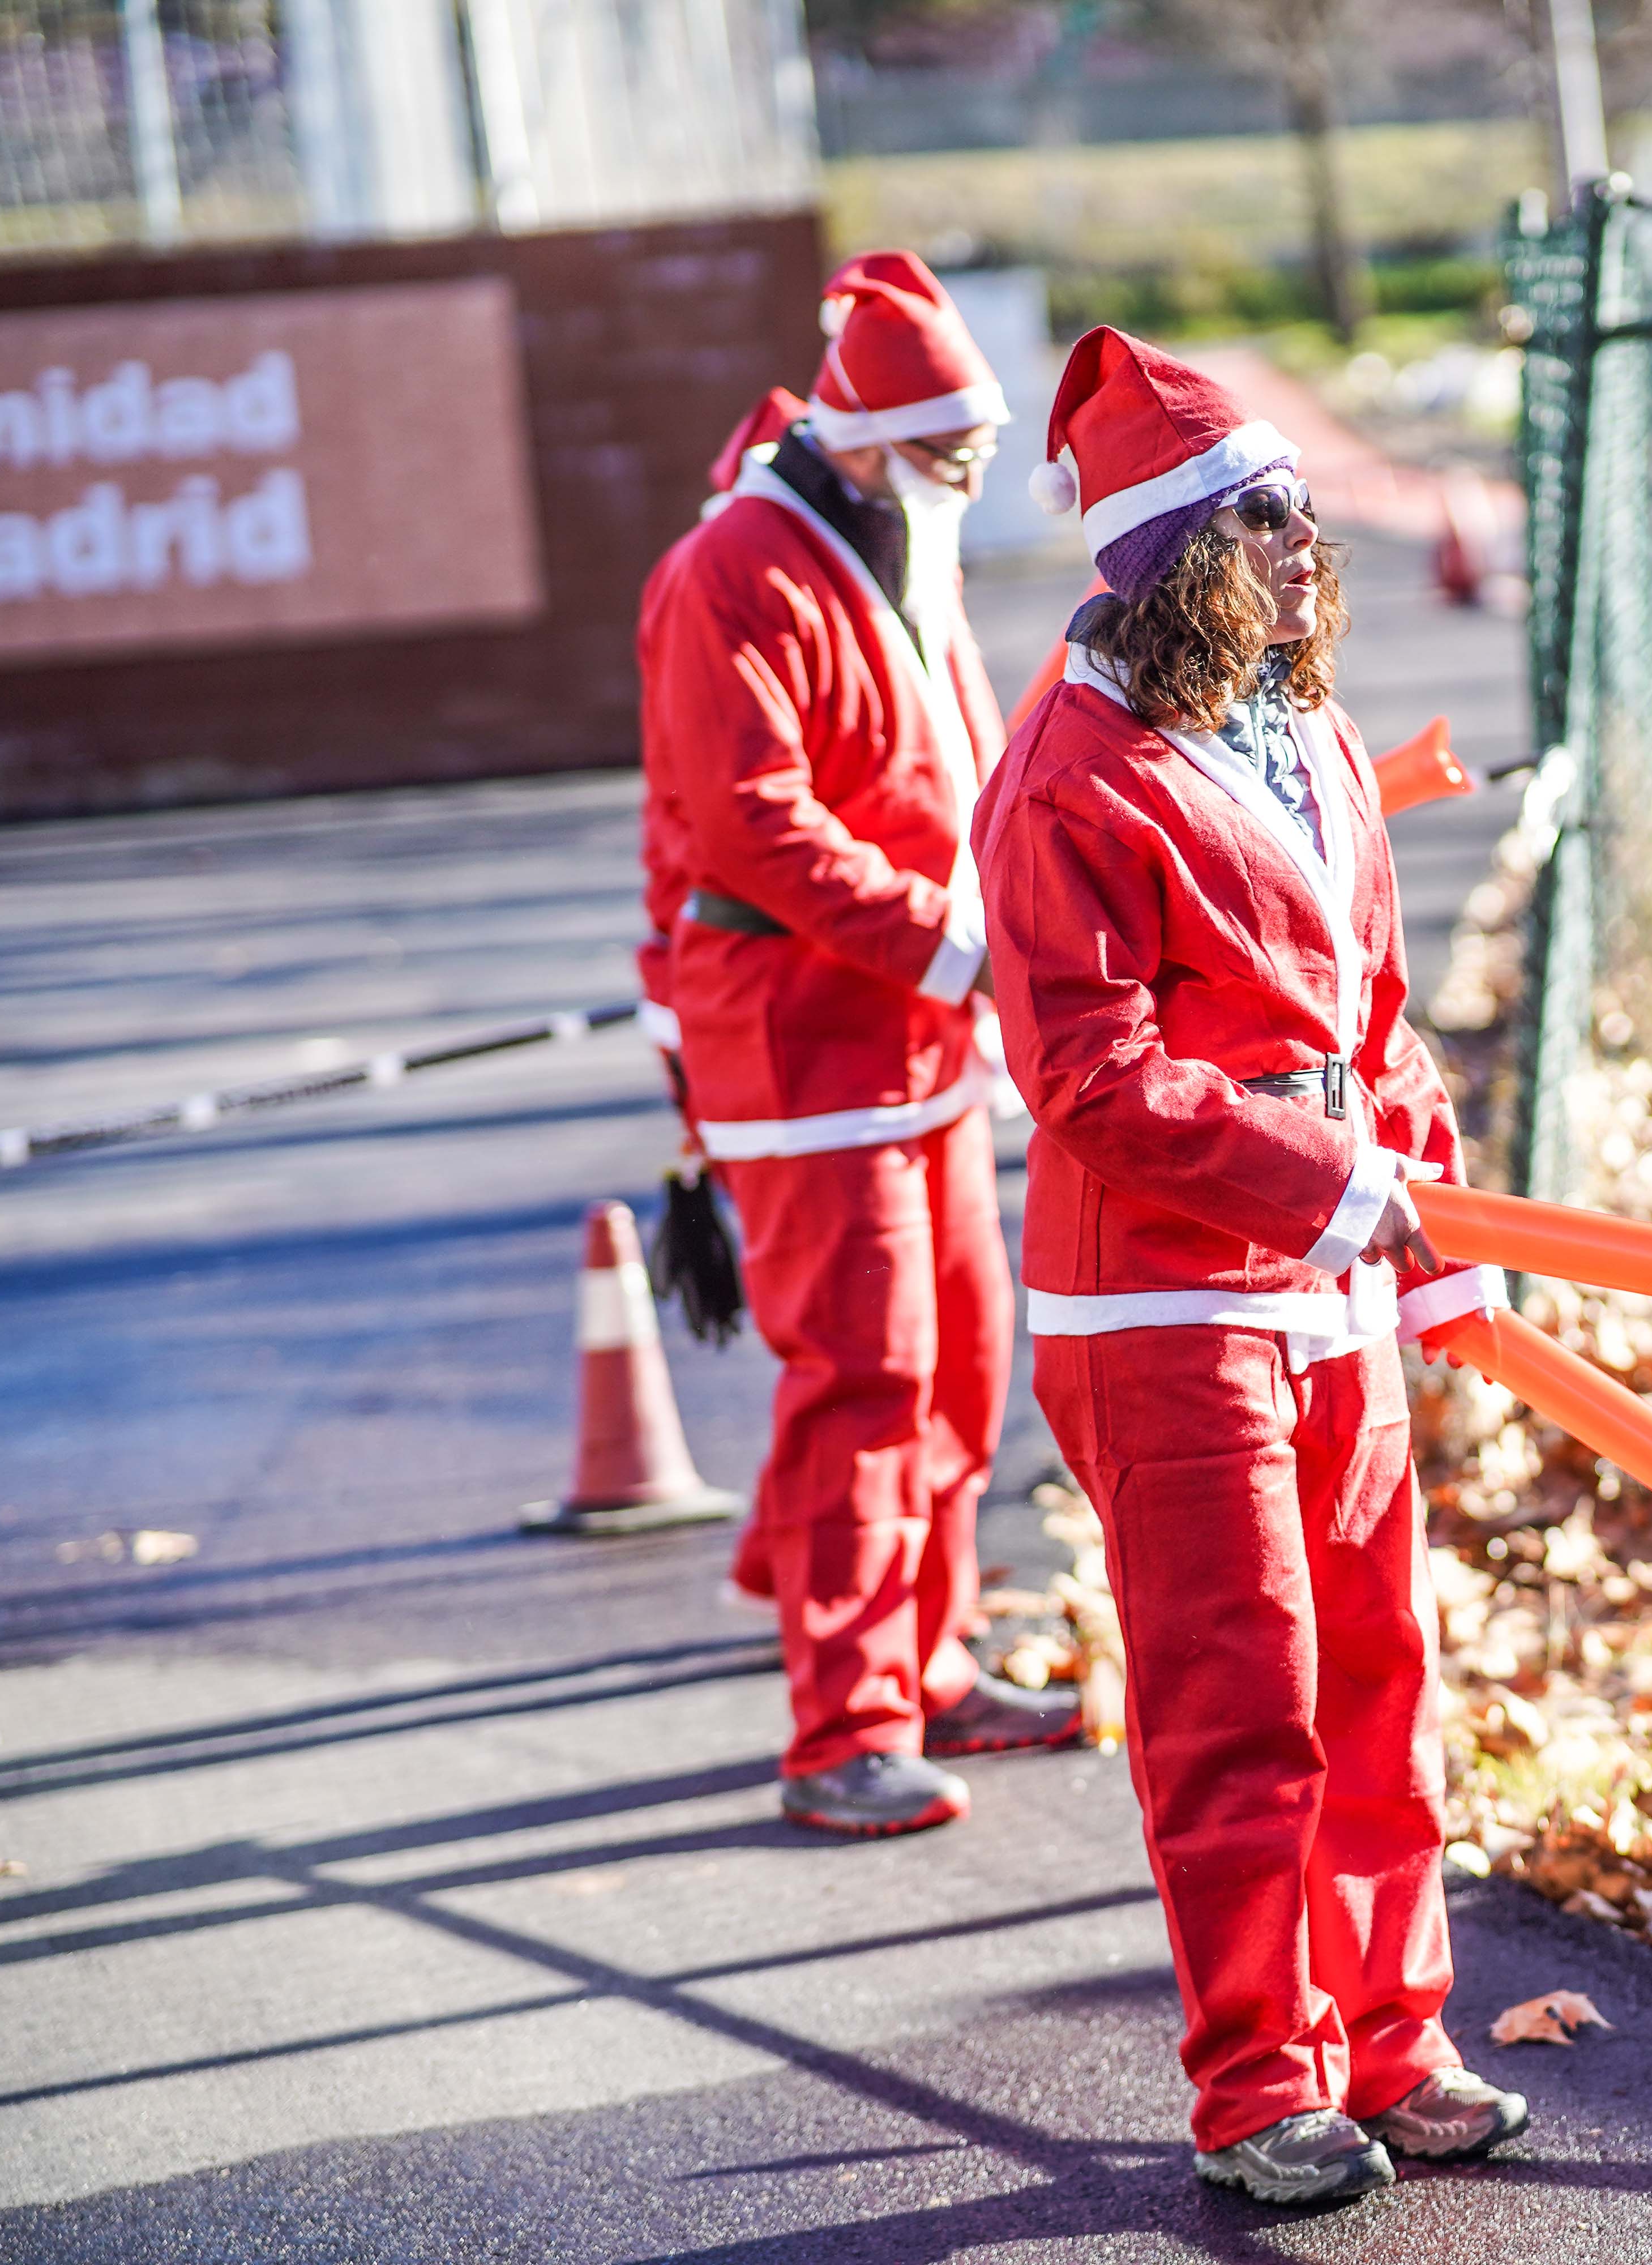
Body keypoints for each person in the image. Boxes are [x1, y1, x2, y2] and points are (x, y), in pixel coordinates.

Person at [971, 328, 1529, 2206]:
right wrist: (1322, 1188)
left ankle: (1395, 2040)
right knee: (1241, 1696)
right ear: (1172, 555)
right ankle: (1255, 2087)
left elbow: (1373, 1012)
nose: (1310, 546)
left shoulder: (1297, 729)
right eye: (1267, 519)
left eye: (1309, 513)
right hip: (1169, 1301)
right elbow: (1090, 1077)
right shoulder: (1069, 771)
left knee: (1380, 1668)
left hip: (1335, 1267)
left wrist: (1429, 1228)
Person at [635, 251, 1078, 1839]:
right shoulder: (734, 569)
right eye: (958, 449)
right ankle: (844, 1726)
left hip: (912, 1033)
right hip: (811, 1043)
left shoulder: (895, 539)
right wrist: (951, 938)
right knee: (866, 1380)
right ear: (878, 434)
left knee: (959, 1360)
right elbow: (752, 826)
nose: (979, 478)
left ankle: (929, 1659)